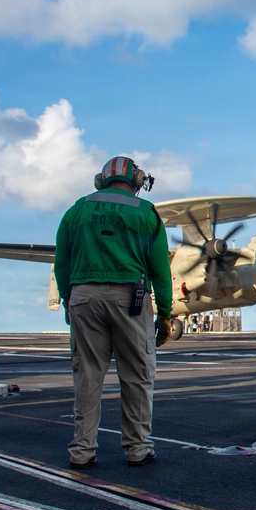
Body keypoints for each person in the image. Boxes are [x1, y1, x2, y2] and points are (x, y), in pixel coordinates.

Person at [54, 156, 173, 470]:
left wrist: (69, 299)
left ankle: (81, 451)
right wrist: (165, 312)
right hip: (129, 300)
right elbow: (160, 269)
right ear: (136, 180)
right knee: (137, 375)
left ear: (101, 179)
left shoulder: (77, 209)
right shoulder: (145, 211)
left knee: (88, 376)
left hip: (82, 297)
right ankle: (137, 448)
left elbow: (61, 262)